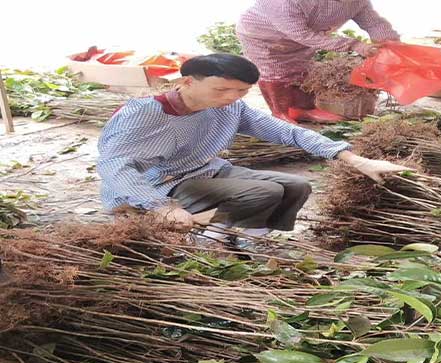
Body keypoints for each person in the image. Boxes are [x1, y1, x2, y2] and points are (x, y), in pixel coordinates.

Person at [97, 53, 409, 247]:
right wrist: (159, 206)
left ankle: (244, 237)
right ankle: (208, 238)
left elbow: (287, 131)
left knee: (297, 186)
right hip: (161, 184)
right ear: (188, 82)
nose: (233, 97)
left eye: (241, 91)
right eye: (222, 89)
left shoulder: (230, 107)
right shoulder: (141, 115)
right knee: (262, 194)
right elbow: (115, 168)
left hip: (208, 171)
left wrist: (356, 160)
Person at [237, 0, 400, 123]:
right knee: (275, 73)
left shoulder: (355, 1)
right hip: (262, 36)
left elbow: (373, 22)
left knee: (302, 71)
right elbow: (300, 34)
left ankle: (302, 110)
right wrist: (354, 45)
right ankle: (280, 113)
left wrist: (389, 42)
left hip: (305, 38)